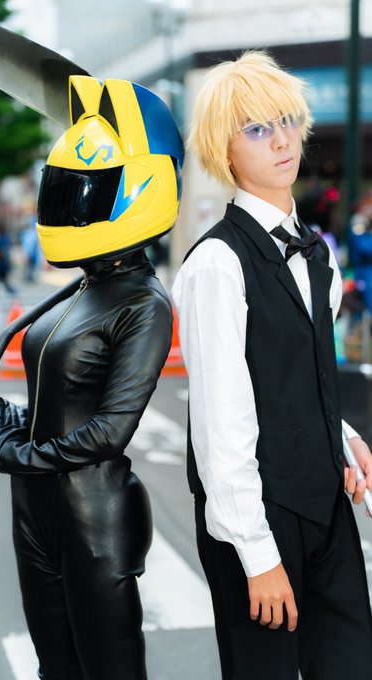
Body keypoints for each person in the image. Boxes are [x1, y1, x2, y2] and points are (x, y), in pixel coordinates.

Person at [0, 75, 184, 679]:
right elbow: (53, 408)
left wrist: (18, 454)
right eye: (63, 189)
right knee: (55, 669)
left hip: (94, 517)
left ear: (137, 190)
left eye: (85, 191)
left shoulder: (143, 304)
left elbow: (108, 431)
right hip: (36, 509)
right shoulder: (79, 288)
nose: (68, 205)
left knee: (109, 671)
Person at [171, 51, 372, 679]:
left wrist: (341, 435)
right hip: (256, 515)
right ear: (224, 149)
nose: (281, 139)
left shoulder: (319, 253)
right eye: (256, 128)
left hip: (326, 505)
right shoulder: (215, 264)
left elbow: (299, 374)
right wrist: (257, 555)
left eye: (286, 120)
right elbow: (220, 423)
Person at [0, 221, 15, 294]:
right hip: (5, 261)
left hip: (0, 261)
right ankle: (6, 289)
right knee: (1, 277)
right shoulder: (6, 237)